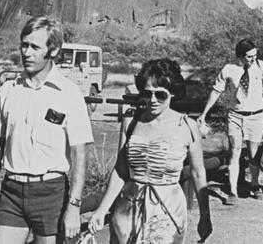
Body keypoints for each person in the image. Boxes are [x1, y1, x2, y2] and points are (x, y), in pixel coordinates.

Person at [0, 16, 94, 244]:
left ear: (53, 51)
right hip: (11, 190)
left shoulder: (68, 93)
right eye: (24, 45)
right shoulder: (8, 90)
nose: (26, 53)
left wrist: (74, 207)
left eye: (35, 47)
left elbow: (80, 154)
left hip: (51, 191)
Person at [88, 59, 212, 243]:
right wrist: (101, 210)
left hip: (167, 212)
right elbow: (121, 170)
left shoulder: (187, 126)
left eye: (160, 95)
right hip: (128, 210)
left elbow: (197, 172)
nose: (152, 100)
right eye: (147, 93)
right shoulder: (130, 122)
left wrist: (205, 214)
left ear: (172, 93)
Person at [197, 38, 263, 205]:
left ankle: (254, 184)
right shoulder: (229, 70)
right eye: (249, 56)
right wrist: (204, 114)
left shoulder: (261, 67)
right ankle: (232, 190)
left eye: (255, 55)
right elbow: (216, 91)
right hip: (235, 116)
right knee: (235, 151)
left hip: (256, 116)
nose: (253, 59)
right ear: (240, 56)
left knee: (254, 154)